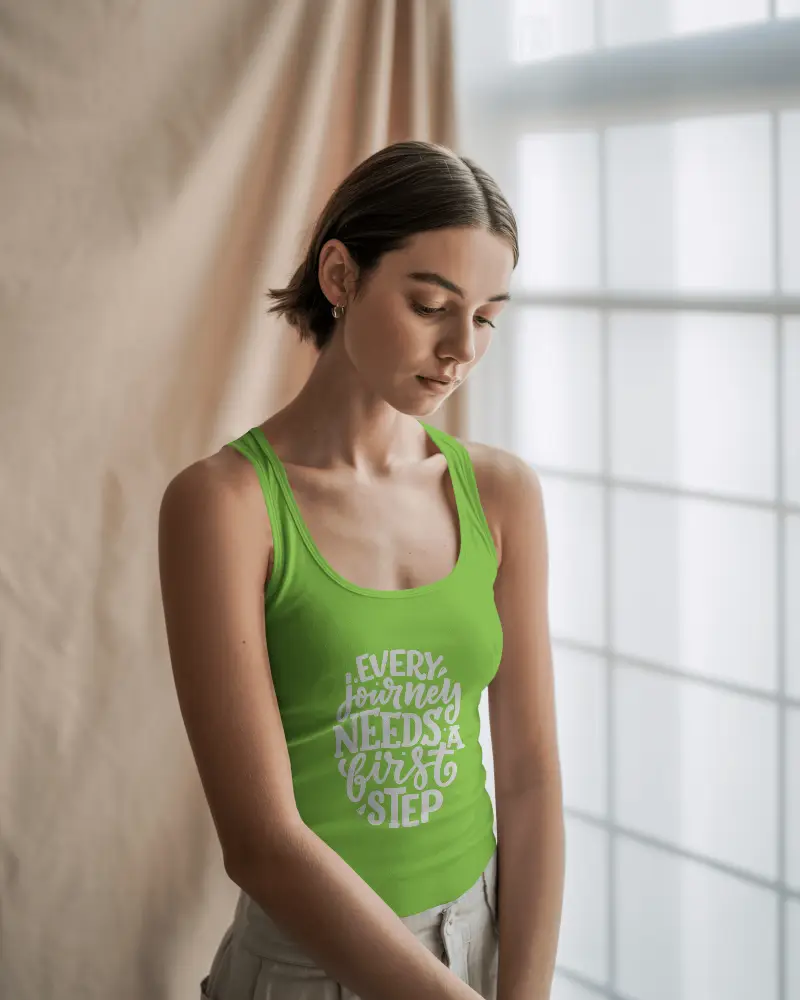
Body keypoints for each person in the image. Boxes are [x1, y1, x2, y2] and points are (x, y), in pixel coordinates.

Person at [158, 140, 564, 1000]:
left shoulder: (500, 494)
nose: (462, 348)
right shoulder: (223, 506)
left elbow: (529, 777)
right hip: (309, 968)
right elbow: (260, 840)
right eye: (430, 305)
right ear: (339, 277)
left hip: (487, 940)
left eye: (487, 316)